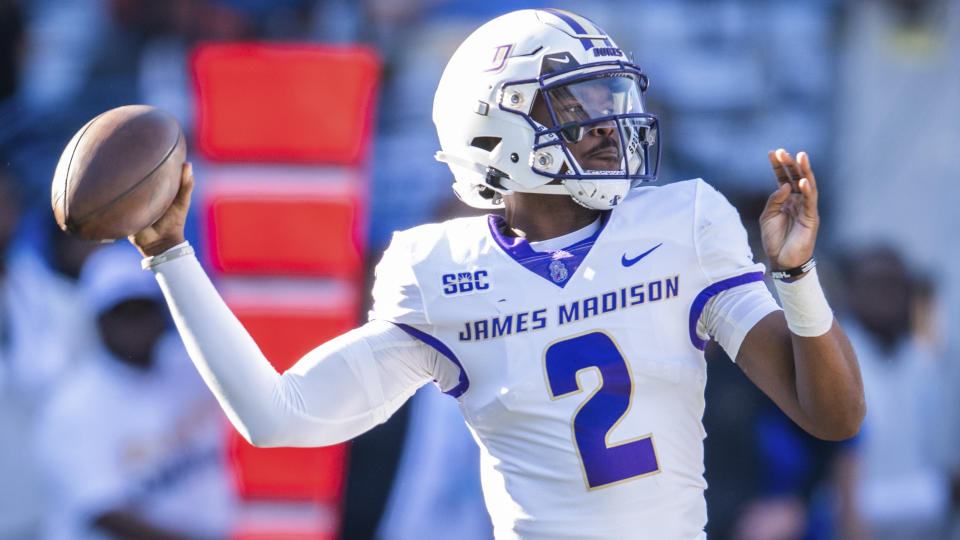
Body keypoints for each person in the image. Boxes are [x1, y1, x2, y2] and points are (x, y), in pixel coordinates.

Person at [127, 9, 864, 539]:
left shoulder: (685, 224)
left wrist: (794, 278)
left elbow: (834, 416)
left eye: (612, 98)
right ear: (496, 129)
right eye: (579, 104)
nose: (611, 123)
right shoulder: (438, 270)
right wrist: (171, 257)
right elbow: (275, 416)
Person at [35, 244, 237, 540]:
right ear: (99, 321)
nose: (135, 325)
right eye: (122, 314)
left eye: (143, 310)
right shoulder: (72, 404)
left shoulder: (191, 366)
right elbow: (105, 513)